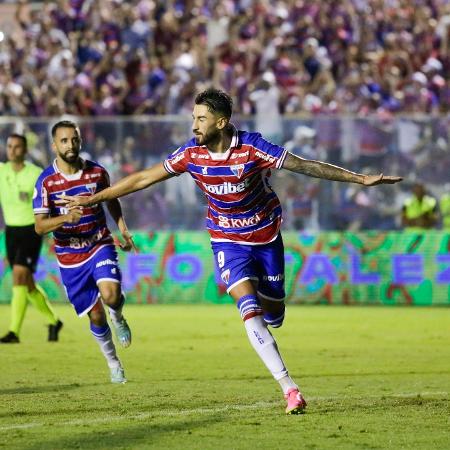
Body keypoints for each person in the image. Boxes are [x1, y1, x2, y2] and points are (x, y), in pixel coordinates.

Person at [61, 88, 402, 413]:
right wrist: (94, 199)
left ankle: (275, 317)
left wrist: (359, 179)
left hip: (266, 237)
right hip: (226, 239)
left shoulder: (253, 148)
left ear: (220, 123)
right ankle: (290, 389)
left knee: (274, 313)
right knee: (248, 309)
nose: (194, 125)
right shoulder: (190, 154)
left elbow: (304, 165)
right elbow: (142, 179)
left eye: (201, 118)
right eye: (193, 118)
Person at [33, 120, 134, 384]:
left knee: (111, 296)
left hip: (99, 242)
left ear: (80, 141)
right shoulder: (46, 181)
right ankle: (113, 363)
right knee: (96, 314)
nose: (70, 145)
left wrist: (122, 229)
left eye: (74, 139)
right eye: (64, 141)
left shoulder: (97, 173)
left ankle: (119, 316)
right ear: (54, 145)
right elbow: (40, 226)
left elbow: (111, 199)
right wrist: (64, 219)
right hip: (69, 257)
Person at [0, 133, 63, 344]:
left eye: (17, 147)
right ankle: (54, 321)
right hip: (11, 231)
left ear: (25, 150)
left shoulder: (36, 174)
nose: (12, 150)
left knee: (18, 275)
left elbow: (50, 202)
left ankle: (13, 332)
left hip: (31, 230)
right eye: (10, 146)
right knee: (26, 284)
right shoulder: (2, 171)